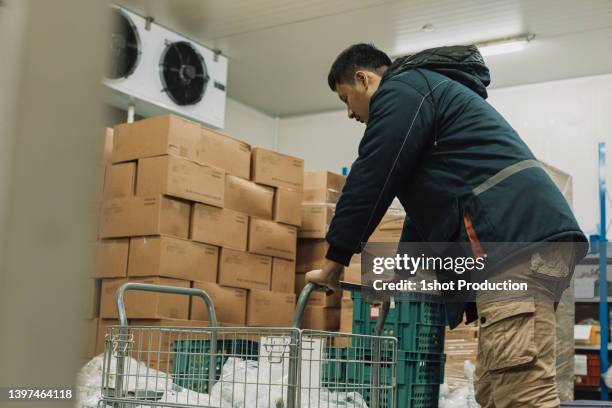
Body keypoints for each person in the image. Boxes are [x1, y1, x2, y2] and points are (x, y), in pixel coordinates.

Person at [305, 43, 587, 407]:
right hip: (518, 241)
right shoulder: (425, 94)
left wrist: (334, 262)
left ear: (365, 79)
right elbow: (429, 212)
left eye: (347, 98)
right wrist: (399, 277)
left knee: (519, 390)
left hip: (513, 242)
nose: (348, 112)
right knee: (494, 389)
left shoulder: (401, 89)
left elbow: (372, 175)